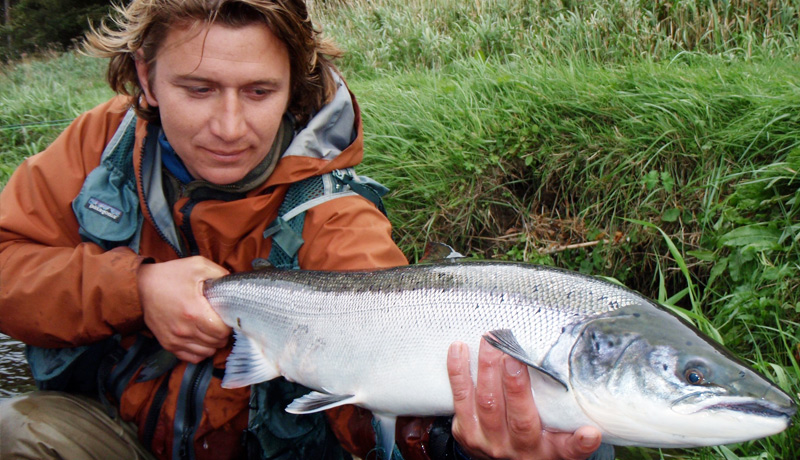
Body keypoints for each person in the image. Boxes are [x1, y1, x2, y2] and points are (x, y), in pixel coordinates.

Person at [0, 1, 604, 459]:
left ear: (293, 85)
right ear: (147, 77)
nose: (230, 126)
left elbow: (381, 396)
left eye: (259, 91)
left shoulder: (335, 218)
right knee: (18, 428)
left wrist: (451, 443)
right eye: (199, 89)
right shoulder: (94, 146)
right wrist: (136, 290)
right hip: (117, 436)